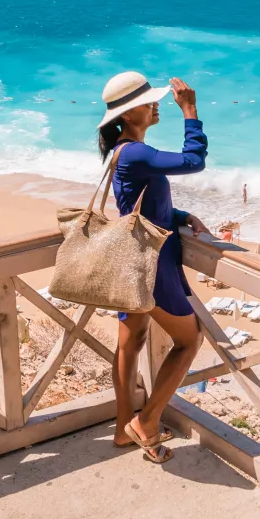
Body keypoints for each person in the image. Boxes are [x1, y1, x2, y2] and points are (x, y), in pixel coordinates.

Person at [99, 72, 210, 463]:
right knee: (189, 341)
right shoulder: (134, 152)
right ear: (130, 115)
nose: (156, 105)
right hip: (152, 266)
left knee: (131, 344)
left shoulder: (123, 153)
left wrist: (181, 213)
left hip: (130, 261)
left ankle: (121, 428)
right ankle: (146, 423)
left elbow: (137, 204)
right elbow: (193, 161)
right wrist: (191, 111)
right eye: (149, 102)